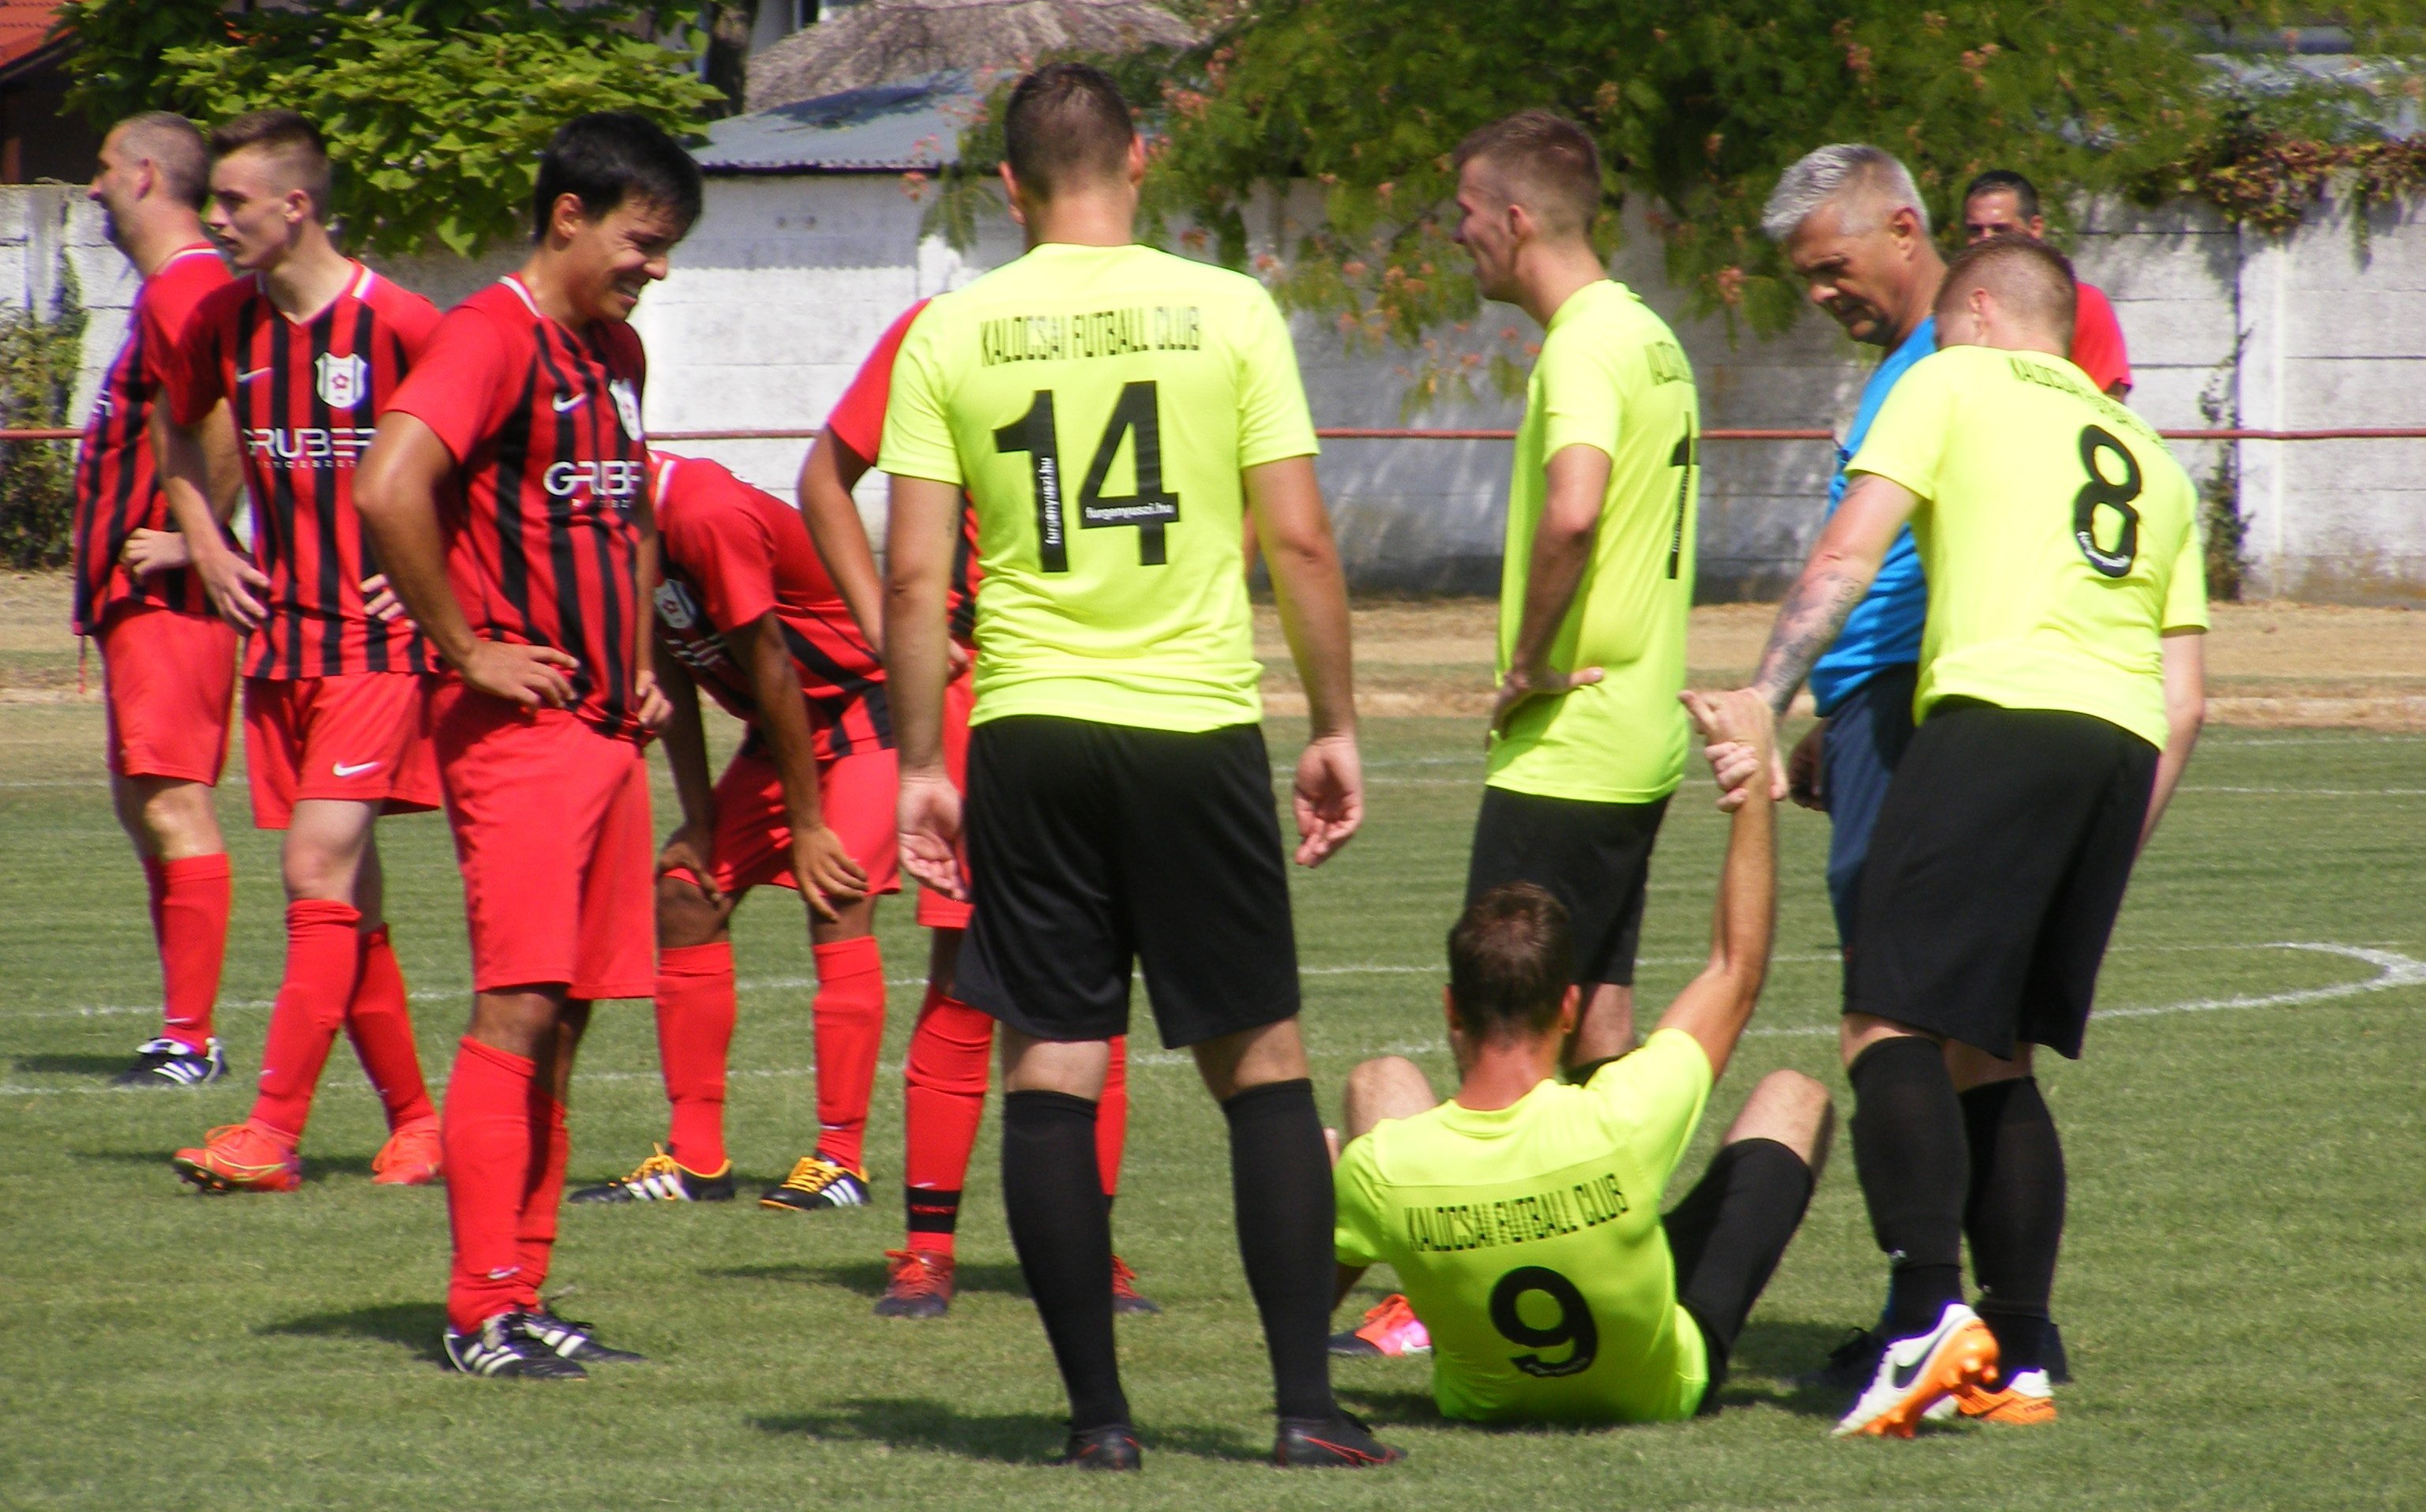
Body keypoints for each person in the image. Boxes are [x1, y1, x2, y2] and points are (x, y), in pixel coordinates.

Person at [880, 62, 1398, 1471]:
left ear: (1007, 187)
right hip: (1192, 726)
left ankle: (1099, 1426)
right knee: (1263, 1064)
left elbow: (917, 578)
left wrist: (921, 760)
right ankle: (1301, 1407)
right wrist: (1334, 725)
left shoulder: (949, 332)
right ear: (1141, 160)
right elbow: (1296, 542)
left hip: (1031, 731)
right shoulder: (1227, 310)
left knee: (1050, 1062)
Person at [1730, 236, 2207, 1436]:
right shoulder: (2154, 457)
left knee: (1885, 1017)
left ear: (1981, 312)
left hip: (1996, 715)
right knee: (1992, 1050)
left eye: (1948, 329)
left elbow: (1850, 548)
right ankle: (2022, 1350)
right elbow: (2188, 694)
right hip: (2116, 749)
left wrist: (1761, 694)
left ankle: (1930, 1323)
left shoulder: (1947, 381)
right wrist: (2102, 845)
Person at [355, 112, 702, 1381]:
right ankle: (472, 1311)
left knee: (564, 1019)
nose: (652, 267)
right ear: (569, 214)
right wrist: (464, 648)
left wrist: (648, 673)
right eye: (640, 240)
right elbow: (390, 483)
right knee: (516, 1004)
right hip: (521, 730)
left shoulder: (615, 353)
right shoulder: (490, 336)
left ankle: (522, 1285)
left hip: (606, 730)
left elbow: (628, 524)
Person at [1331, 689, 1831, 1427]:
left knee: (1381, 1080)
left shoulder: (1387, 1166)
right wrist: (1751, 784)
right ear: (1569, 1009)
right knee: (1796, 1095)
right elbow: (1737, 970)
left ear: (1449, 1007)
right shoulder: (1622, 1115)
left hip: (1480, 1397)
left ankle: (1431, 1310)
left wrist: (1320, 1193)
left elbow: (1304, 1289)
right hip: (1659, 1391)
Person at [798, 308, 1152, 1319]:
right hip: (980, 698)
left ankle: (1095, 1251)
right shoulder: (943, 327)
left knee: (1098, 975)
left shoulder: (1157, 318)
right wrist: (885, 625)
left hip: (1108, 691)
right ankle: (925, 1250)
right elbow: (825, 476)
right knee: (963, 981)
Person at [158, 111, 445, 1193]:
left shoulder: (402, 321)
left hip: (379, 646)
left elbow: (483, 451)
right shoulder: (227, 322)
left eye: (233, 202)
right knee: (350, 900)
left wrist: (439, 575)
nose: (217, 219)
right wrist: (203, 537)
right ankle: (419, 1123)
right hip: (283, 643)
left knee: (314, 866)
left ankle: (271, 1130)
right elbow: (177, 428)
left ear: (298, 205)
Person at [566, 447, 892, 1210]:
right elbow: (669, 671)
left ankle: (842, 1158)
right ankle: (695, 1160)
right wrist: (701, 820)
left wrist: (809, 825)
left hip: (862, 708)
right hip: (783, 731)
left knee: (835, 896)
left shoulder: (702, 511)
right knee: (686, 894)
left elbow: (772, 665)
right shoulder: (607, 521)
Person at [1452, 110, 1701, 1066]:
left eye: (1466, 211)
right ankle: (1617, 1212)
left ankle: (1539, 1216)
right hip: (1638, 735)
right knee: (1598, 1014)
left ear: (1516, 219)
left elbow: (1574, 511)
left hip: (1571, 744)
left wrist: (1527, 662)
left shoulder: (1586, 345)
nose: (1457, 232)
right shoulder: (1651, 336)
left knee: (1503, 1036)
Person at [70, 112, 239, 1088]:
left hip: (172, 598)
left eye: (98, 168)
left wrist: (194, 539)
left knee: (174, 804)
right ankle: (185, 1028)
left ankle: (191, 1038)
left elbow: (232, 418)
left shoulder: (191, 288)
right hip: (138, 600)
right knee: (148, 805)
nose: (91, 188)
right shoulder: (172, 292)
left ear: (142, 175)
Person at [1960, 171, 2132, 399]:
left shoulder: (2082, 304)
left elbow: (2110, 407)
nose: (1987, 241)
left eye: (2001, 229)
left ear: (2035, 229)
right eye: (1975, 230)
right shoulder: (1955, 310)